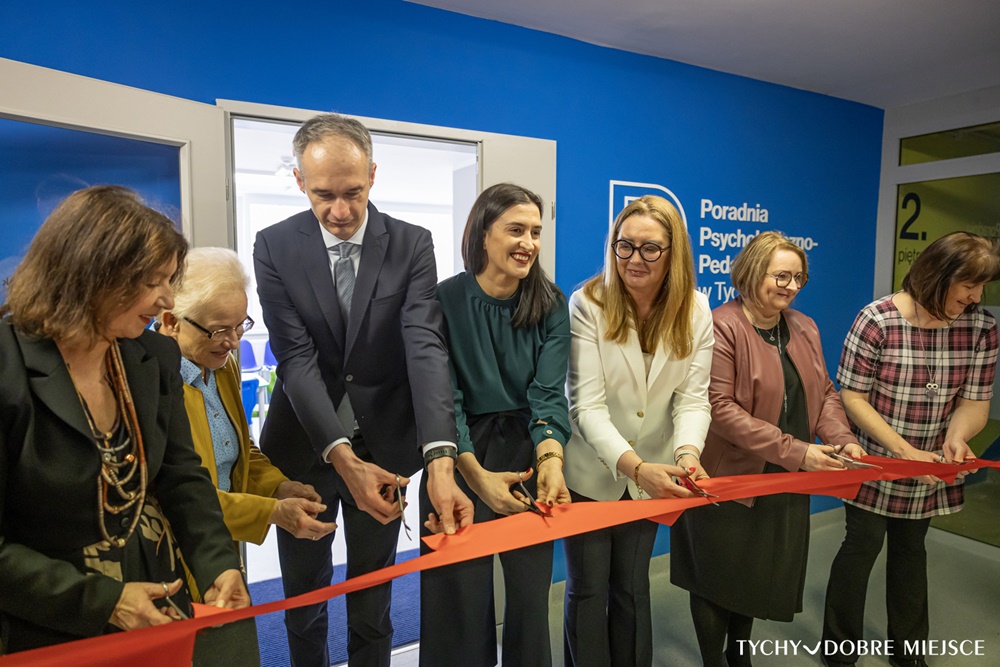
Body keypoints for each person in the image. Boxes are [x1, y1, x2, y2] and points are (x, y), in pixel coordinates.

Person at [253, 113, 474, 667]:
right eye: (323, 195)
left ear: (373, 175)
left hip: (386, 448)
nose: (341, 211)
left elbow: (425, 348)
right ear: (300, 182)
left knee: (373, 594)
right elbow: (296, 358)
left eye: (353, 192)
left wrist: (441, 456)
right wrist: (342, 458)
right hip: (305, 447)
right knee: (304, 599)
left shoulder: (411, 244)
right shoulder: (274, 246)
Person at [0, 186, 248, 654]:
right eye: (154, 281)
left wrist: (219, 563)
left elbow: (181, 476)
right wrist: (104, 601)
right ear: (94, 273)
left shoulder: (152, 356)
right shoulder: (7, 365)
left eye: (171, 280)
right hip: (41, 623)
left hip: (152, 599)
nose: (168, 301)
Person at [669, 230, 863, 667]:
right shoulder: (721, 325)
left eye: (799, 278)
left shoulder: (805, 326)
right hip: (729, 479)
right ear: (752, 272)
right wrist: (799, 451)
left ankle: (740, 658)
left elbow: (826, 393)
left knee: (753, 578)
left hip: (783, 478)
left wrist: (842, 440)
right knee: (716, 578)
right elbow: (720, 408)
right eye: (782, 276)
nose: (791, 286)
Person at [821, 231, 999, 667]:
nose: (975, 297)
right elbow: (853, 396)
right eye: (968, 285)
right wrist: (902, 451)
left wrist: (957, 439)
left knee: (911, 548)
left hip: (930, 467)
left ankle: (908, 650)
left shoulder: (982, 327)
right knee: (861, 545)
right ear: (938, 275)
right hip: (874, 459)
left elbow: (975, 402)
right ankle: (840, 648)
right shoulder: (878, 319)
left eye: (982, 286)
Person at [419, 183, 572, 667]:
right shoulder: (441, 300)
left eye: (536, 232)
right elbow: (446, 400)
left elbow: (547, 396)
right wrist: (474, 477)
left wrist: (551, 459)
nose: (528, 242)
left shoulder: (550, 303)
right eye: (516, 230)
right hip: (457, 454)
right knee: (457, 599)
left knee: (529, 598)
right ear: (483, 235)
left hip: (528, 451)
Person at [561, 195, 712, 667]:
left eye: (650, 248)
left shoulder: (696, 310)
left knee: (631, 586)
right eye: (624, 246)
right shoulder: (588, 303)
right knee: (588, 589)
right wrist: (635, 467)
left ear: (674, 254)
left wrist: (687, 453)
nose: (633, 259)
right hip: (592, 472)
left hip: (657, 475)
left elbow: (692, 398)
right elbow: (585, 404)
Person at [158, 247, 336, 548]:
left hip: (218, 540)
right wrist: (271, 512)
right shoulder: (155, 384)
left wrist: (278, 487)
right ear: (172, 322)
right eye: (218, 331)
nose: (233, 342)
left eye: (241, 325)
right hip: (175, 550)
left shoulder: (221, 365)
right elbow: (179, 494)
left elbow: (238, 449)